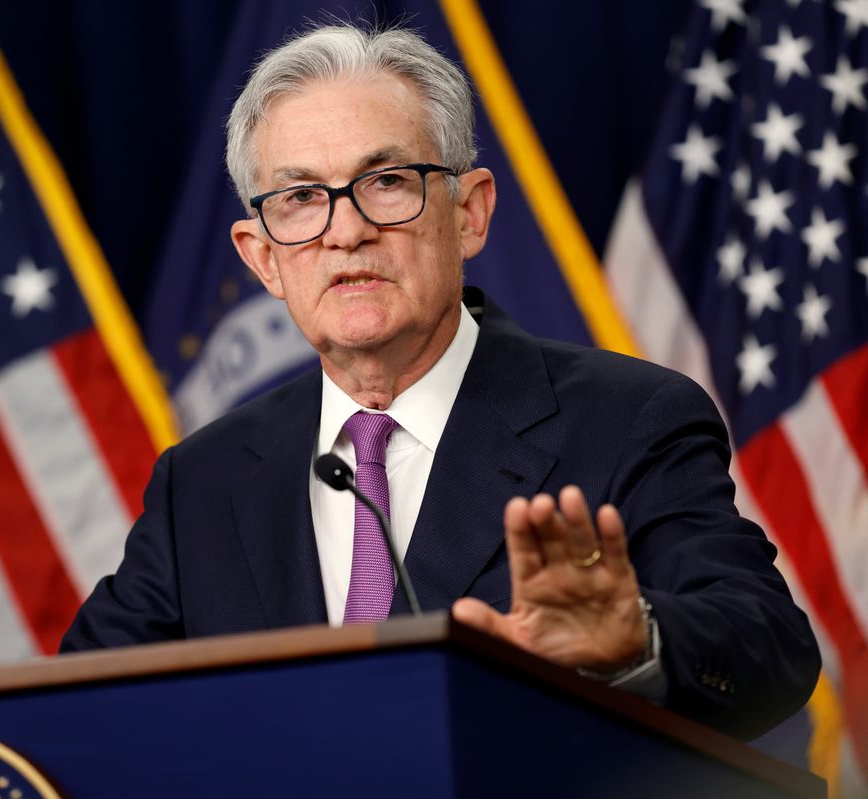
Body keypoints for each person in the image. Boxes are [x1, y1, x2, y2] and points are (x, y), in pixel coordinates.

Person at [60, 22, 819, 739]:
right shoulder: (202, 481)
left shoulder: (629, 419)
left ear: (470, 214)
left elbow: (768, 646)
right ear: (263, 258)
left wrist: (636, 640)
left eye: (387, 180)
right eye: (300, 198)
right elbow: (73, 710)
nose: (345, 230)